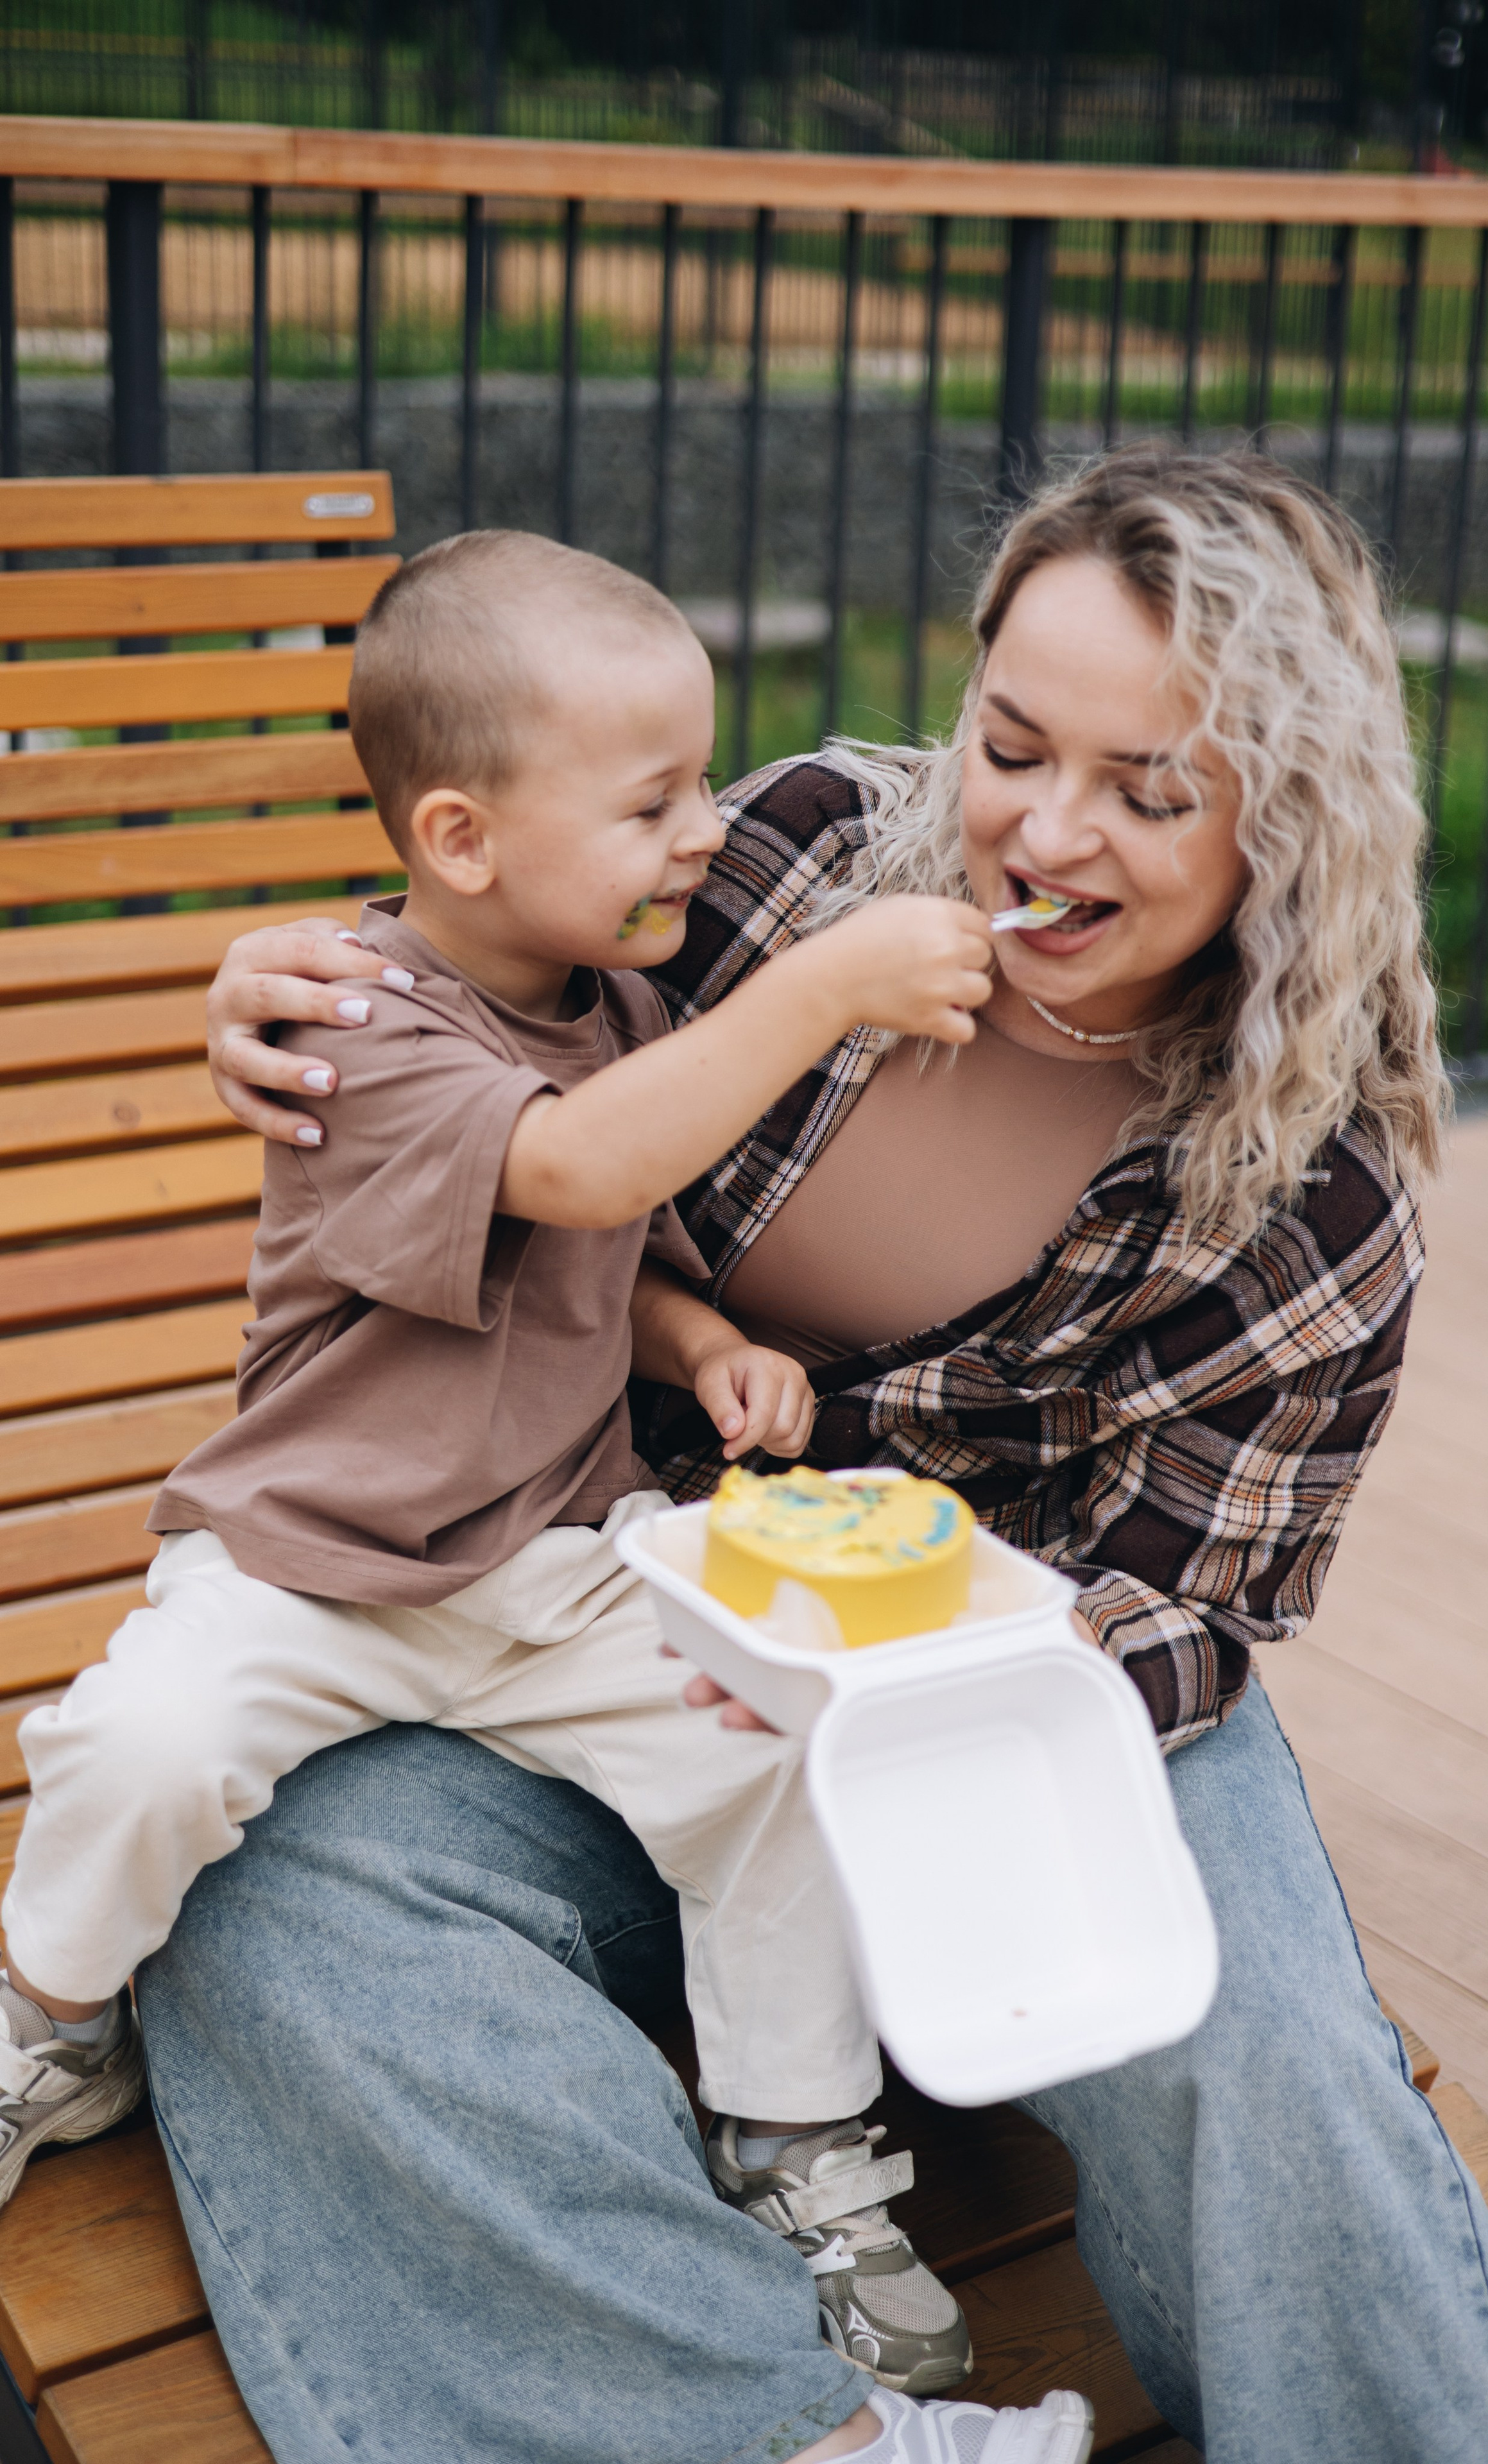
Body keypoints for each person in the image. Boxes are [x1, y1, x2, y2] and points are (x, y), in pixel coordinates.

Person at [126, 447, 1488, 2464]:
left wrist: (925, 1704)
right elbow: (488, 982)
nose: (1045, 833)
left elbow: (1192, 1605)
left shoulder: (1316, 1191)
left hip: (1024, 1699)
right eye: (1013, 745)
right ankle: (795, 2441)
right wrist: (312, 983)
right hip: (601, 1631)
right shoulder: (803, 855)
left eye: (1150, 790)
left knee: (1261, 2057)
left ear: (1294, 814)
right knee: (274, 1900)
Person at [0, 531, 1054, 2436]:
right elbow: (566, 1169)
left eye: (704, 787)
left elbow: (585, 1247)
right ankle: (52, 2018)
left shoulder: (616, 1006)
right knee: (149, 1743)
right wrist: (823, 985)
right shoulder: (357, 1020)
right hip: (312, 1564)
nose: (704, 833)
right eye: (654, 802)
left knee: (770, 1743)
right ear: (462, 840)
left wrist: (694, 1343)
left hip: (554, 1557)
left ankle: (794, 2140)